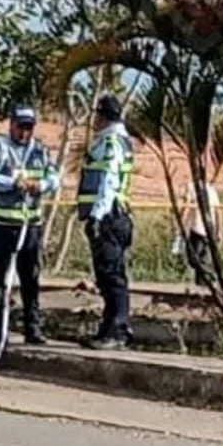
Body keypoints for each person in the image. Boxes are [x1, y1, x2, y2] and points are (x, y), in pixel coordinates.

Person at [0, 105, 59, 345]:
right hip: (1, 224)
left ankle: (32, 327)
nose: (24, 132)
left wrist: (41, 185)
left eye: (28, 128)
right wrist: (13, 182)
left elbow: (54, 178)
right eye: (20, 127)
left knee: (30, 277)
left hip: (29, 225)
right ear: (11, 124)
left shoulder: (40, 150)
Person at [77, 94, 136, 350]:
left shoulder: (111, 142)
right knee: (106, 274)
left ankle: (117, 331)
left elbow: (108, 181)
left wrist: (96, 216)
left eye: (97, 115)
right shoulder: (118, 140)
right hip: (113, 215)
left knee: (112, 275)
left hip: (109, 216)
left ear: (103, 117)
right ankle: (109, 328)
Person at [182, 179, 222, 289]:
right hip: (196, 229)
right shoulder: (191, 187)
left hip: (208, 230)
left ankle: (207, 281)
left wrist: (219, 230)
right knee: (193, 259)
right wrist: (182, 223)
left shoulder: (211, 190)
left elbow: (218, 211)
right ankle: (209, 277)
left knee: (204, 259)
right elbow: (187, 206)